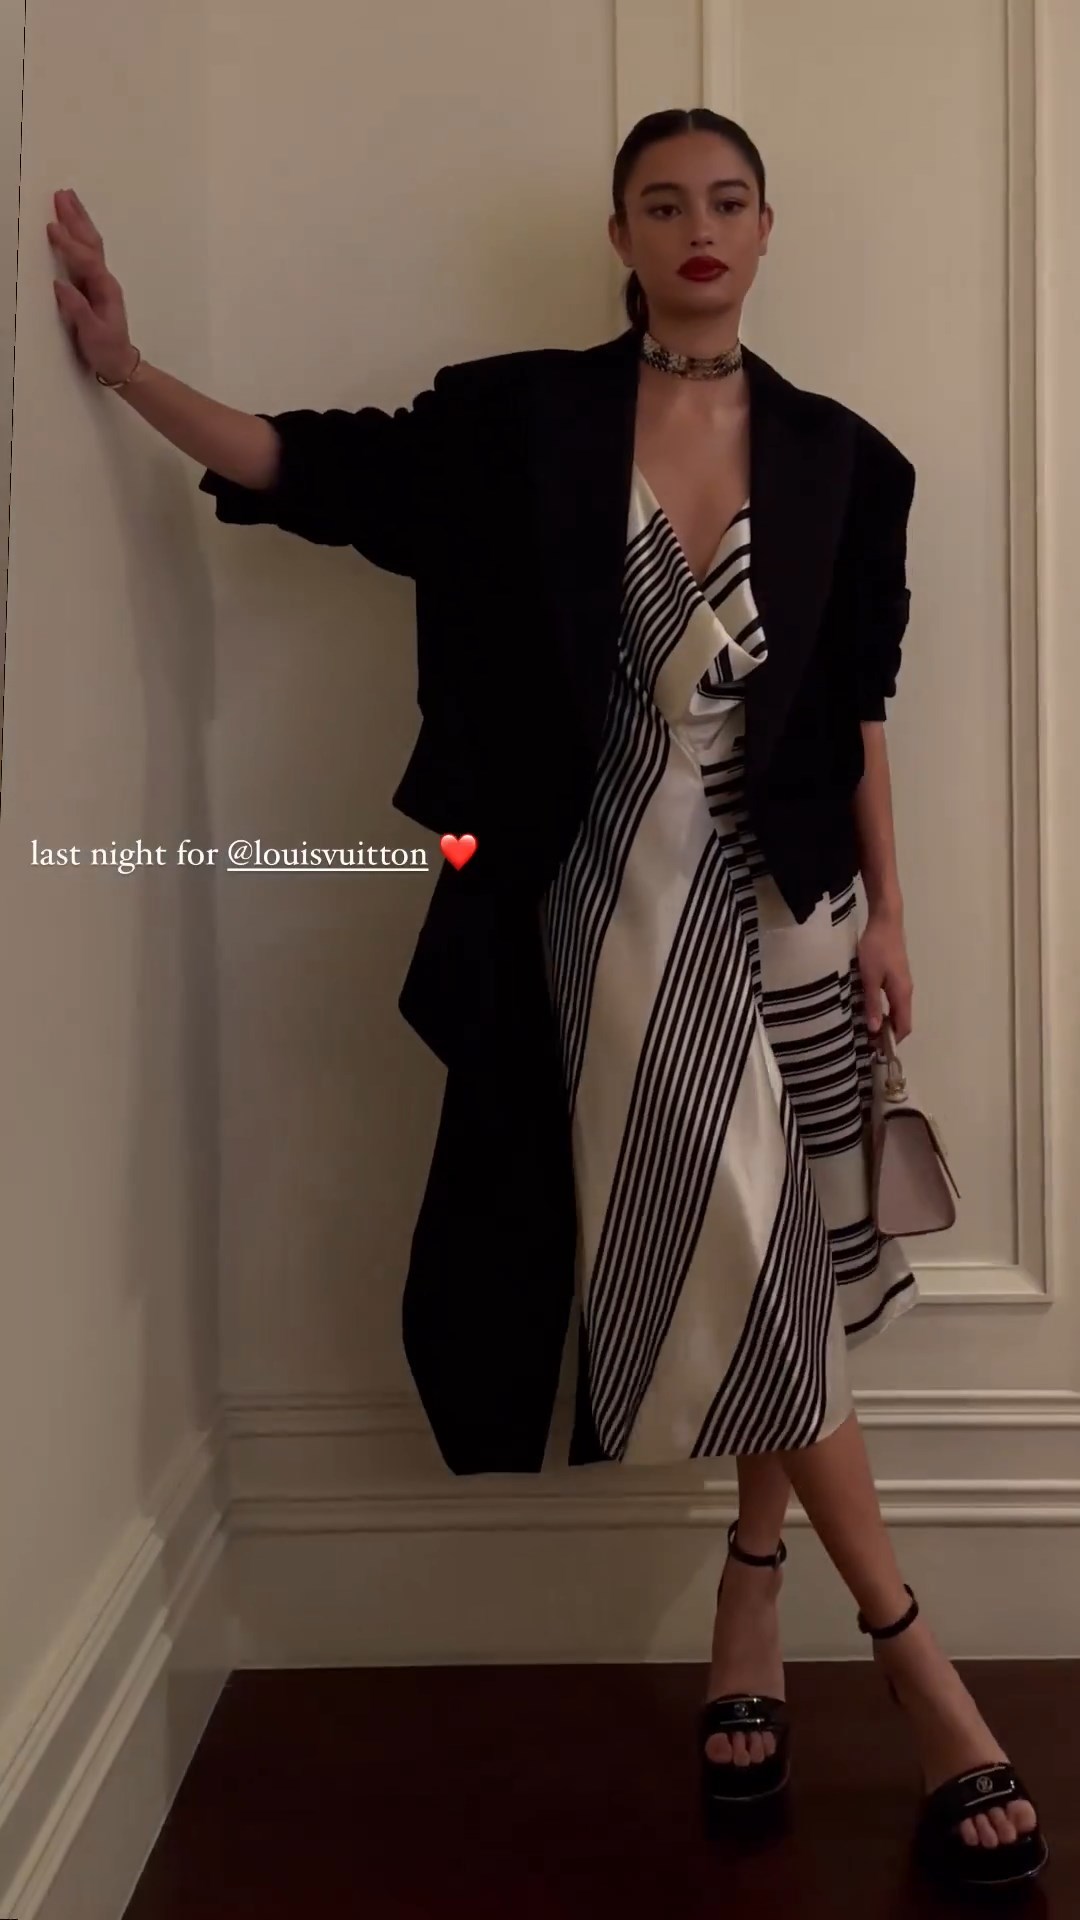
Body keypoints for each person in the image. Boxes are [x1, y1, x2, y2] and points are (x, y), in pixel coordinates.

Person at [48, 105, 1046, 1892]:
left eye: (726, 199)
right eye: (662, 202)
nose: (698, 225)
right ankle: (921, 1672)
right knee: (753, 1246)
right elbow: (318, 473)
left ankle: (752, 1604)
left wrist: (894, 913)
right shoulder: (526, 422)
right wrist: (127, 371)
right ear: (620, 234)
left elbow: (858, 708)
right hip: (606, 906)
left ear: (767, 226)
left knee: (786, 1260)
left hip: (795, 910)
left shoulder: (848, 459)